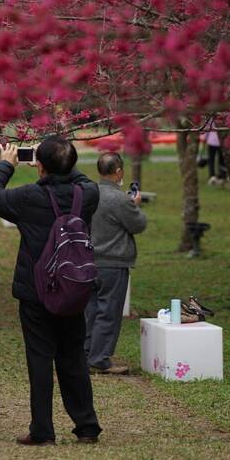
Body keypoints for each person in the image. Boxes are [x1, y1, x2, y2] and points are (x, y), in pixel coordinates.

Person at [0, 135, 102, 446]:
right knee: (73, 356)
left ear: (39, 166)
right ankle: (87, 426)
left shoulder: (27, 198)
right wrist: (61, 162)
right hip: (73, 289)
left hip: (36, 292)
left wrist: (5, 165)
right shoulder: (87, 195)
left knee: (40, 357)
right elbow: (80, 177)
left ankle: (43, 430)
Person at [84, 153, 147, 375]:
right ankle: (100, 359)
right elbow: (138, 225)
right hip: (113, 262)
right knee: (108, 311)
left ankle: (87, 353)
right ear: (119, 172)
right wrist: (135, 205)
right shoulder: (120, 199)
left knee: (91, 308)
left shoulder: (89, 194)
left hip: (88, 260)